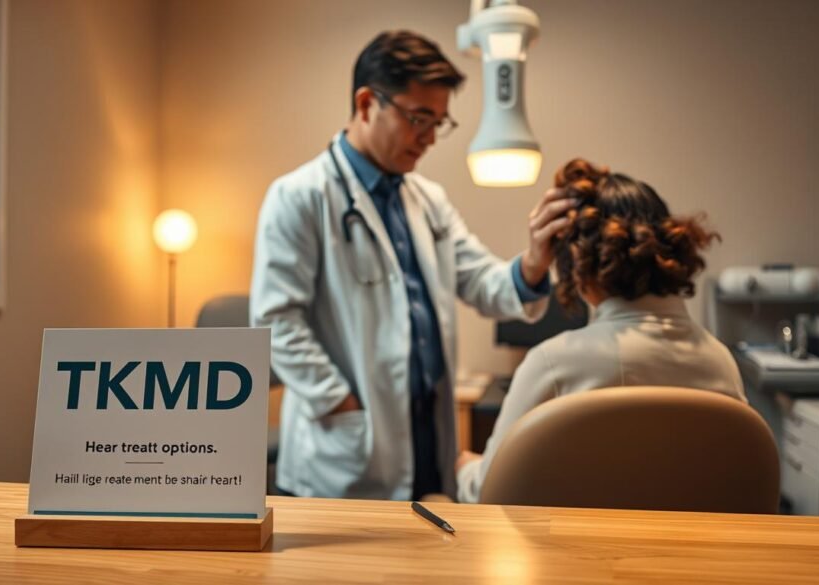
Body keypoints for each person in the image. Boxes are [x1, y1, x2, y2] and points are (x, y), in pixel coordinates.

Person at [250, 30, 573, 500]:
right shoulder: (300, 196)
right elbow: (276, 322)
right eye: (419, 118)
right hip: (349, 448)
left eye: (439, 122)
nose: (429, 139)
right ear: (366, 103)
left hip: (425, 438)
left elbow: (482, 281)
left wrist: (535, 261)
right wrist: (343, 402)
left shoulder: (428, 200)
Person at [455, 158, 747, 504]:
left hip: (573, 556)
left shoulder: (553, 363)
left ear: (578, 266)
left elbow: (489, 492)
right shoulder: (720, 363)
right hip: (690, 555)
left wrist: (463, 468)